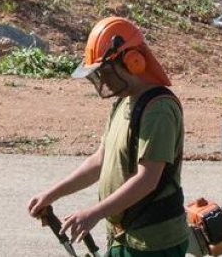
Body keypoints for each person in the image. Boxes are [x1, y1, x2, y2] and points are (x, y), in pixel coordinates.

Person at [27, 17, 190, 257]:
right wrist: (52, 194)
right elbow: (100, 160)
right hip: (126, 235)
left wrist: (94, 213)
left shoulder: (159, 110)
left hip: (153, 243)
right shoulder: (124, 102)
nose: (102, 81)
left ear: (133, 62)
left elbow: (148, 179)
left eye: (105, 71)